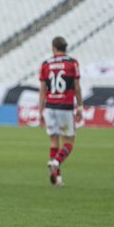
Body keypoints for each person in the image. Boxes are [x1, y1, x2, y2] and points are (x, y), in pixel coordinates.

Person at [38, 36, 82, 187]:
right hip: (65, 107)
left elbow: (43, 90)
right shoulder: (72, 63)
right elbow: (76, 87)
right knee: (69, 142)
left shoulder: (45, 64)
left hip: (50, 107)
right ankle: (56, 162)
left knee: (53, 141)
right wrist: (80, 107)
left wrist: (40, 112)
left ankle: (56, 179)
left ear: (53, 48)